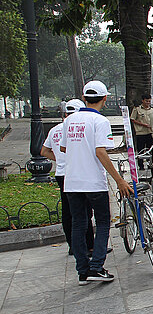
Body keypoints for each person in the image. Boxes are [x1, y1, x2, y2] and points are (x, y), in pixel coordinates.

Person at [60, 81, 132, 285]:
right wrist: (118, 180)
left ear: (84, 98)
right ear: (105, 99)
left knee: (79, 224)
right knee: (102, 223)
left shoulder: (69, 120)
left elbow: (64, 148)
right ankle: (96, 267)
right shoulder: (100, 122)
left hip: (72, 182)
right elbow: (101, 152)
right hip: (93, 182)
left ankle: (82, 271)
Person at [42, 98, 93, 256]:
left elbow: (44, 151)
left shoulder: (55, 129)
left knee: (67, 211)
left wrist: (59, 158)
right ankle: (89, 245)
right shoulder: (78, 128)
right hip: (77, 172)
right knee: (84, 211)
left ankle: (72, 245)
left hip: (61, 174)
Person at [130, 93, 153, 170]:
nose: (148, 103)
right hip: (140, 133)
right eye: (146, 101)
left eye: (149, 101)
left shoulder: (152, 110)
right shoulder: (137, 109)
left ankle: (150, 163)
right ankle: (141, 165)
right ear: (142, 100)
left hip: (150, 133)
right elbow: (133, 119)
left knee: (150, 149)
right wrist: (143, 124)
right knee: (141, 150)